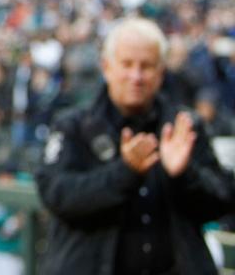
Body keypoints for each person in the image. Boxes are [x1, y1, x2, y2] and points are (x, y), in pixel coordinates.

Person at [36, 18, 235, 275]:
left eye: (147, 66)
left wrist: (184, 174)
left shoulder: (184, 127)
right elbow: (58, 195)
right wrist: (125, 172)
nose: (136, 76)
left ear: (161, 72)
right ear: (106, 67)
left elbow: (222, 199)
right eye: (127, 64)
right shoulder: (73, 126)